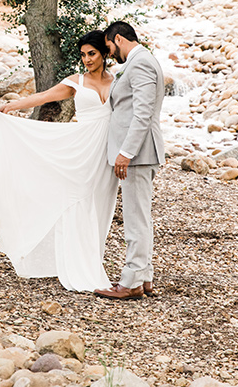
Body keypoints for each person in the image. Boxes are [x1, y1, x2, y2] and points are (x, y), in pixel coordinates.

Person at [0, 30, 118, 292]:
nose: (87, 59)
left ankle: (92, 260)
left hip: (107, 154)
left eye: (92, 54)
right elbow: (43, 97)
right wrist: (11, 106)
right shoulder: (77, 81)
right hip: (81, 149)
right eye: (83, 55)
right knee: (78, 201)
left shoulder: (118, 82)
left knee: (101, 207)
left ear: (105, 54)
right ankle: (79, 267)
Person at [94, 20, 165, 301]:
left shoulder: (141, 63)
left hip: (139, 153)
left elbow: (143, 112)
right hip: (140, 153)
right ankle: (143, 277)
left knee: (135, 219)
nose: (109, 53)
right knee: (139, 216)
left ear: (119, 39)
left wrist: (126, 152)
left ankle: (131, 281)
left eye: (109, 47)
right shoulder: (139, 63)